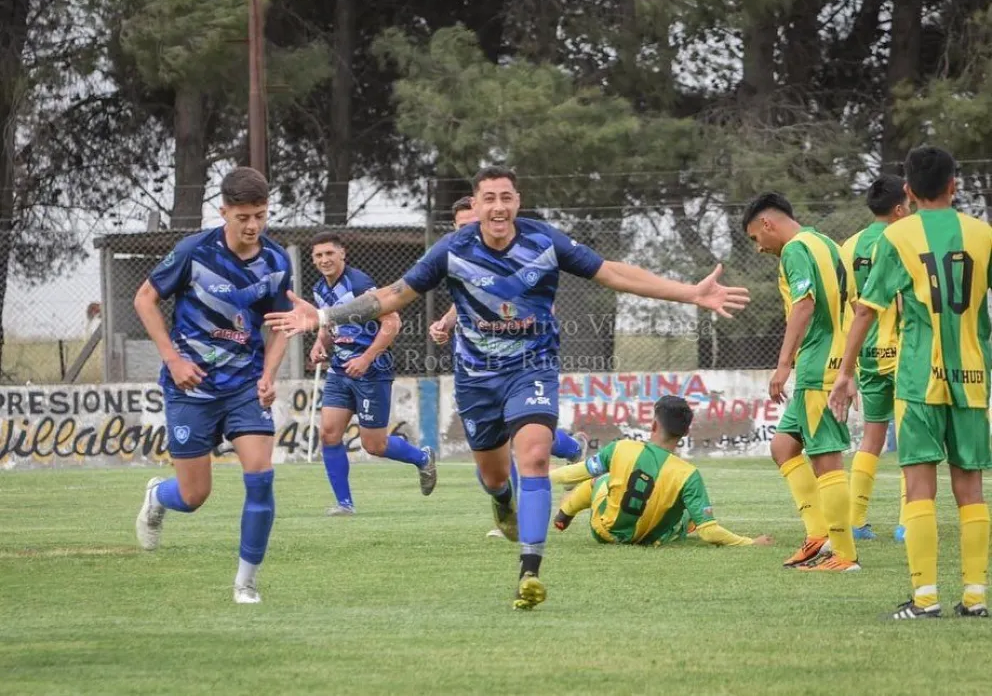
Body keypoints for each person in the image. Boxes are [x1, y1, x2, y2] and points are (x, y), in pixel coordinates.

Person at [265, 165, 750, 609]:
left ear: (517, 201)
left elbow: (614, 273)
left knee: (534, 454)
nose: (498, 207)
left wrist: (689, 292)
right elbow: (393, 295)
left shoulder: (544, 240)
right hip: (477, 381)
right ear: (475, 206)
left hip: (532, 368)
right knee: (495, 479)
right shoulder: (452, 250)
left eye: (507, 197)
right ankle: (501, 502)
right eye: (489, 198)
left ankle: (529, 570)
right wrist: (325, 316)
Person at [829, 146, 992, 619]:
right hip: (972, 376)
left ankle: (925, 599)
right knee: (971, 486)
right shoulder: (983, 235)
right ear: (954, 185)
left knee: (919, 486)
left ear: (908, 190)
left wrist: (845, 373)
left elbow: (866, 308)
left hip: (918, 377)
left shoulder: (896, 237)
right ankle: (976, 597)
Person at [133, 167, 291, 604]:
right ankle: (158, 496)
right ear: (224, 212)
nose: (253, 225)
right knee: (194, 494)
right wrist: (173, 358)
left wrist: (268, 374)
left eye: (260, 214)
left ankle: (246, 583)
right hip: (192, 387)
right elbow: (145, 298)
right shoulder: (193, 251)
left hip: (244, 385)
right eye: (243, 216)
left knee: (260, 477)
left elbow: (280, 325)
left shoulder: (277, 262)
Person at [429, 196, 589, 539]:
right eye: (463, 227)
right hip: (475, 370)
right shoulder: (458, 257)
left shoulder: (521, 262)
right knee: (490, 464)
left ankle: (515, 521)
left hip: (520, 365)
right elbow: (467, 302)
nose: (471, 232)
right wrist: (445, 322)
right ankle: (571, 448)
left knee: (521, 441)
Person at [743, 191, 860, 572]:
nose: (759, 248)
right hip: (831, 362)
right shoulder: (828, 243)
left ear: (767, 224)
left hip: (817, 365)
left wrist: (782, 365)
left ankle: (844, 554)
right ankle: (818, 535)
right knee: (783, 447)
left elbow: (804, 305)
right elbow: (856, 307)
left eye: (755, 238)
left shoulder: (795, 249)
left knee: (826, 459)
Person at [309, 231, 437, 516]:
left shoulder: (359, 284)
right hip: (340, 371)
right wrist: (320, 343)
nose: (324, 259)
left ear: (343, 254)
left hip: (371, 373)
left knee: (374, 445)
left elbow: (392, 321)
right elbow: (329, 324)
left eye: (329, 253)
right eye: (318, 255)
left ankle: (422, 457)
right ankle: (344, 504)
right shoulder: (320, 288)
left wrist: (366, 358)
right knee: (329, 434)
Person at [551, 396, 773, 549]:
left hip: (604, 533)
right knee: (686, 511)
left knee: (601, 479)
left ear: (653, 425)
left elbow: (574, 474)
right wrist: (751, 542)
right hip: (649, 540)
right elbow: (709, 532)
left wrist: (537, 475)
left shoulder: (621, 448)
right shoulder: (688, 474)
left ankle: (565, 512)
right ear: (686, 432)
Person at [839, 175, 911, 541]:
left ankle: (856, 520)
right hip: (903, 351)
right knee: (911, 440)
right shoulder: (903, 239)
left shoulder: (849, 246)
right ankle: (905, 524)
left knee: (872, 437)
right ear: (899, 208)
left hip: (866, 353)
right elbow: (901, 297)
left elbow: (852, 304)